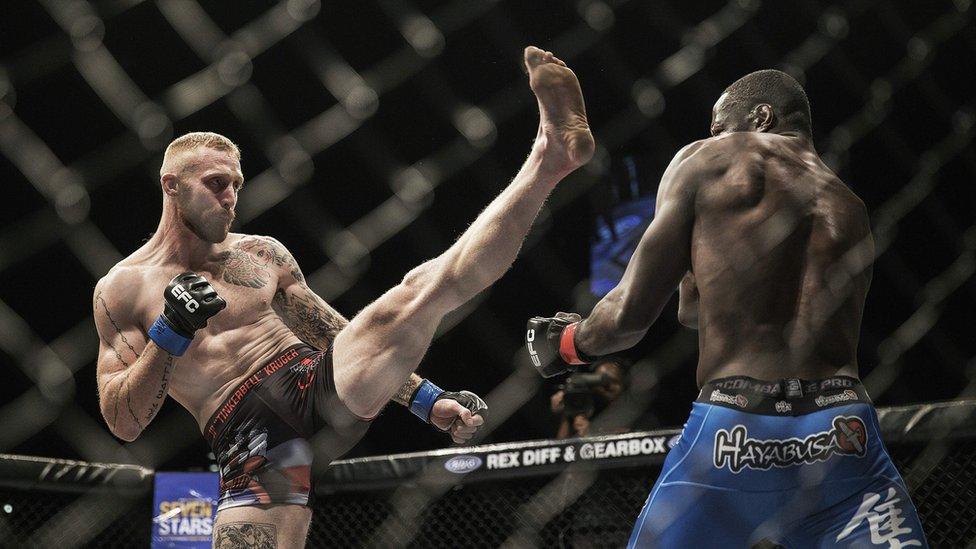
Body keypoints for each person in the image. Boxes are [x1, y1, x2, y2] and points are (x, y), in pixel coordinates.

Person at [94, 46, 594, 548]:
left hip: (317, 386)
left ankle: (549, 158)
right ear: (171, 186)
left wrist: (423, 397)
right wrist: (171, 330)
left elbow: (328, 330)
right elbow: (124, 421)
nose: (230, 197)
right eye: (215, 183)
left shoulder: (262, 253)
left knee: (421, 289)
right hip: (246, 434)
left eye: (237, 185)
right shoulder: (124, 287)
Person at [527, 70, 927, 547]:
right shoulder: (850, 205)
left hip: (734, 432)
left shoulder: (707, 160)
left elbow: (628, 317)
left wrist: (568, 344)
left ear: (761, 116)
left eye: (719, 126)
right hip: (842, 431)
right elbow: (696, 311)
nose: (713, 137)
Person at [549, 358, 627, 438]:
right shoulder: (584, 404)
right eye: (600, 381)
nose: (606, 386)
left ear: (624, 383)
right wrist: (566, 407)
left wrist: (592, 433)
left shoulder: (629, 409)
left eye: (613, 381)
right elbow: (561, 446)